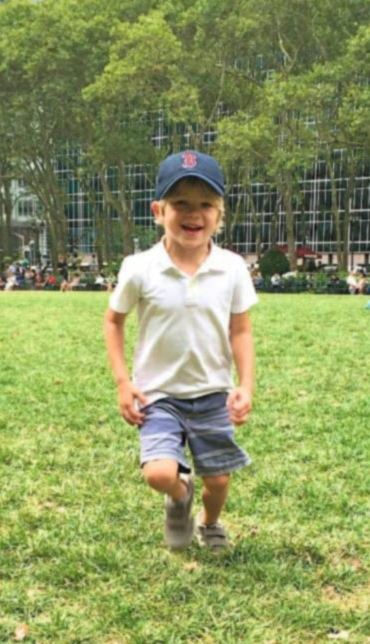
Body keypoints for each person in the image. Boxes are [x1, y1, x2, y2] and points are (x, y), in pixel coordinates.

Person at [103, 150, 257, 553]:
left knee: (219, 480)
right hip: (157, 395)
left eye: (206, 204)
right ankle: (180, 493)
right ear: (159, 211)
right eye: (181, 203)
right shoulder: (139, 267)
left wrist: (245, 385)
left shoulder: (232, 267)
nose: (194, 214)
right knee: (158, 473)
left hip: (213, 393)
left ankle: (210, 523)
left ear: (219, 216)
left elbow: (241, 330)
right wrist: (123, 382)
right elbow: (113, 321)